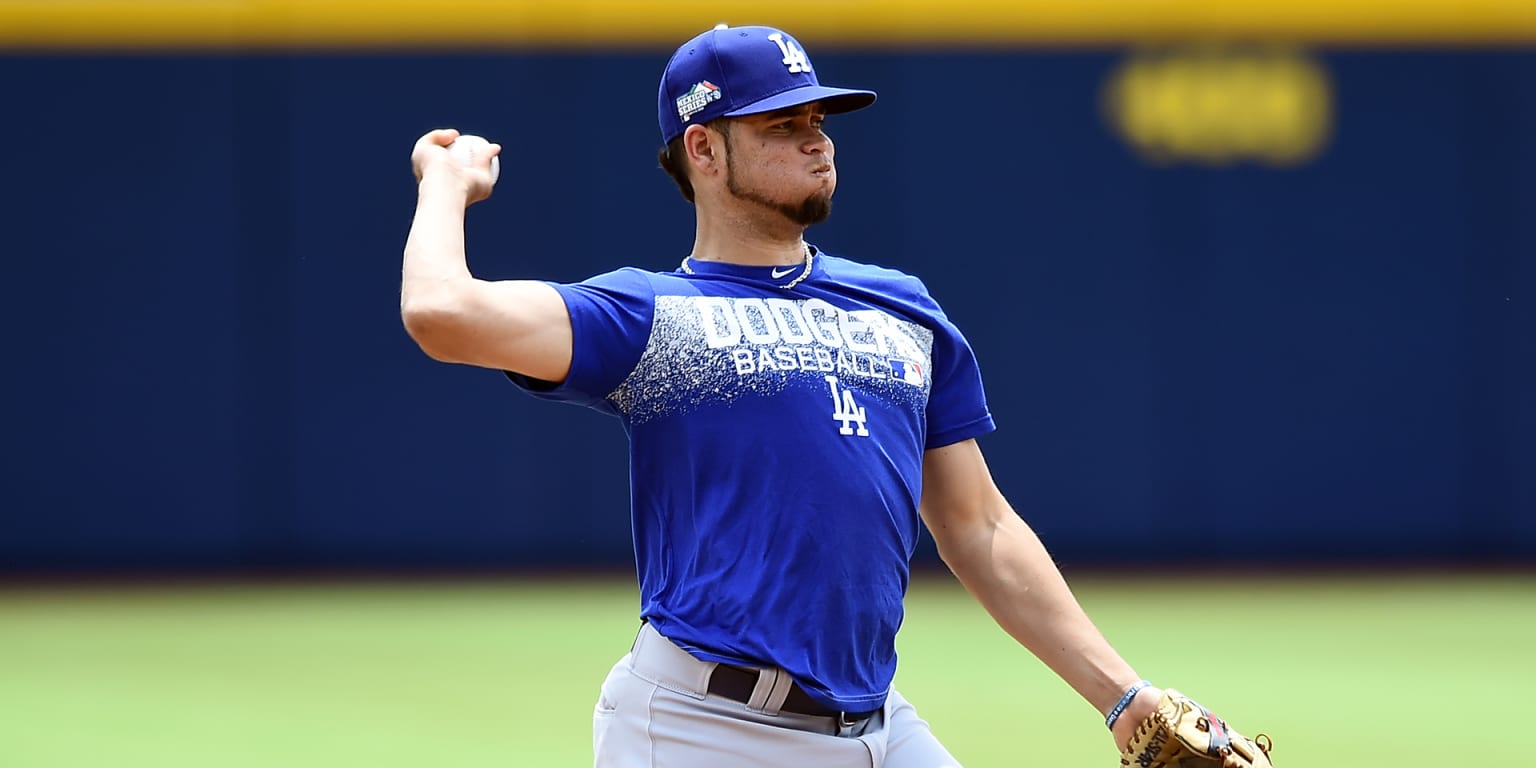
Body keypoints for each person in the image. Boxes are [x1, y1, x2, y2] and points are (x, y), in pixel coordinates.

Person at [402, 23, 1162, 767]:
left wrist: (1123, 697)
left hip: (879, 724)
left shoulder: (901, 309)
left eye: (818, 119)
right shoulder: (652, 315)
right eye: (781, 123)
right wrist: (445, 186)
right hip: (705, 728)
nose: (816, 139)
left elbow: (980, 526)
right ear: (702, 148)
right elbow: (440, 313)